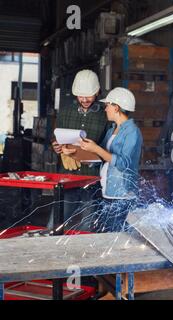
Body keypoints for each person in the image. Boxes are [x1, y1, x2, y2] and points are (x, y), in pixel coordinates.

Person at [50, 69, 109, 230]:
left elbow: (109, 148)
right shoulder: (65, 112)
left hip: (92, 178)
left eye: (88, 95)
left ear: (97, 92)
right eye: (80, 96)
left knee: (87, 226)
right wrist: (57, 146)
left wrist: (87, 153)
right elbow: (57, 137)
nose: (84, 99)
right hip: (68, 176)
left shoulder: (105, 116)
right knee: (55, 224)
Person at [79, 87, 143, 232]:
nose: (105, 108)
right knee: (106, 234)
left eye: (108, 105)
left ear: (117, 107)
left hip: (122, 195)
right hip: (107, 191)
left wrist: (96, 149)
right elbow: (101, 156)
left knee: (116, 237)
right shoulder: (111, 129)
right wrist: (83, 155)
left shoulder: (132, 132)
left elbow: (124, 164)